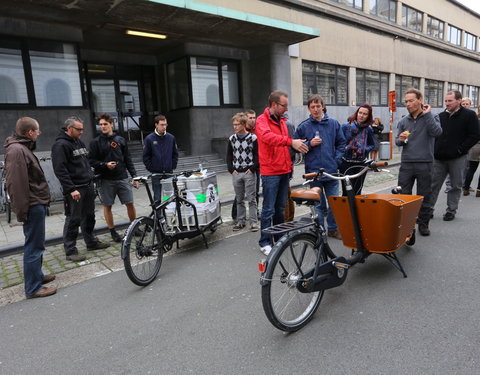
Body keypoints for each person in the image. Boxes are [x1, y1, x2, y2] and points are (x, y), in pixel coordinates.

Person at [4, 117, 57, 299]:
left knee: (37, 244)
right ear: (30, 133)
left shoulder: (22, 148)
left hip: (35, 203)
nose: (39, 133)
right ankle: (33, 287)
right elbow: (16, 185)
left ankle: (38, 277)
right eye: (37, 130)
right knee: (33, 247)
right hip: (32, 205)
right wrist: (21, 210)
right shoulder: (18, 150)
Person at [256, 90, 308, 255]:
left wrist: (290, 167)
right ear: (273, 105)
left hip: (284, 170)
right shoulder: (261, 121)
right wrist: (290, 141)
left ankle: (280, 239)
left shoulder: (283, 121)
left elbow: (287, 149)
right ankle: (264, 241)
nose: (286, 109)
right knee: (268, 209)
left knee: (280, 208)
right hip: (270, 172)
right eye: (284, 105)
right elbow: (268, 138)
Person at [52, 116, 109, 262]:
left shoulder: (79, 142)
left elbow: (85, 160)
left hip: (87, 186)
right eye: (79, 129)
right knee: (73, 219)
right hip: (75, 189)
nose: (82, 132)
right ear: (69, 128)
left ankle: (91, 242)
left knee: (89, 216)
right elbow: (60, 170)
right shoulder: (60, 146)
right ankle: (71, 251)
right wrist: (71, 189)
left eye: (83, 129)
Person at [294, 94, 346, 240]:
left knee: (334, 203)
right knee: (318, 205)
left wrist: (337, 161)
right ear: (308, 109)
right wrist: (310, 144)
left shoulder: (334, 123)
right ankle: (320, 231)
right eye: (312, 107)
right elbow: (295, 146)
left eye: (318, 106)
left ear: (323, 106)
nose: (316, 109)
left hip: (331, 171)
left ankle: (333, 229)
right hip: (313, 172)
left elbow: (341, 143)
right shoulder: (304, 126)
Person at [427, 90, 480, 221]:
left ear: (459, 101)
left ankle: (451, 210)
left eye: (450, 101)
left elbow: (474, 135)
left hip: (458, 158)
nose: (447, 103)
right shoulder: (440, 116)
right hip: (439, 158)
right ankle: (428, 210)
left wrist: (460, 150)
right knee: (433, 185)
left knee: (455, 186)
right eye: (446, 101)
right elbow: (434, 134)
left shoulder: (469, 115)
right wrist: (434, 149)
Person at [395, 88, 442, 236]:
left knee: (424, 195)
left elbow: (437, 133)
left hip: (425, 162)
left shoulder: (432, 117)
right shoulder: (403, 120)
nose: (408, 104)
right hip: (407, 163)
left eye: (411, 100)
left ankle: (423, 224)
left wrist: (427, 115)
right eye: (406, 101)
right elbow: (397, 141)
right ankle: (406, 225)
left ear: (420, 100)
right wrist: (401, 140)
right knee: (404, 196)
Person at [89, 114, 140, 242]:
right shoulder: (95, 142)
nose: (103, 127)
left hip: (122, 177)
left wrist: (135, 176)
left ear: (111, 124)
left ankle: (134, 227)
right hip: (106, 179)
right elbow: (90, 161)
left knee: (130, 203)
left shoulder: (120, 140)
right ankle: (112, 231)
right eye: (100, 125)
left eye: (105, 124)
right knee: (108, 206)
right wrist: (104, 165)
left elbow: (128, 159)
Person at [226, 112, 259, 232]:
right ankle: (241, 221)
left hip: (248, 172)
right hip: (236, 172)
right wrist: (231, 169)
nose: (234, 127)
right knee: (239, 199)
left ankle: (254, 222)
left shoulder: (252, 138)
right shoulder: (232, 138)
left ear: (243, 124)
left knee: (251, 198)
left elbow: (257, 155)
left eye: (237, 124)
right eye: (233, 124)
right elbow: (229, 155)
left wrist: (252, 168)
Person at [339, 103, 376, 195]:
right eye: (360, 113)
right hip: (346, 163)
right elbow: (339, 143)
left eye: (365, 114)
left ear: (368, 116)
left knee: (357, 192)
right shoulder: (346, 126)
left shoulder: (368, 129)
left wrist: (364, 149)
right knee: (347, 192)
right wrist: (346, 148)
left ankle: (356, 209)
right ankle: (347, 209)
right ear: (357, 113)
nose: (361, 116)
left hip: (361, 164)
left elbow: (372, 145)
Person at [142, 115, 179, 204]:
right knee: (157, 197)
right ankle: (158, 216)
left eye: (165, 125)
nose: (164, 127)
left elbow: (175, 154)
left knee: (170, 196)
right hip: (156, 173)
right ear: (156, 125)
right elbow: (145, 156)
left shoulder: (171, 138)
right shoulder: (149, 139)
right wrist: (152, 169)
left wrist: (172, 166)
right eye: (162, 125)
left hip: (168, 172)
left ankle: (170, 216)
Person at [462, 101, 480, 197]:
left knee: (471, 169)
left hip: (474, 147)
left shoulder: (475, 119)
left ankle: (466, 188)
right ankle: (479, 190)